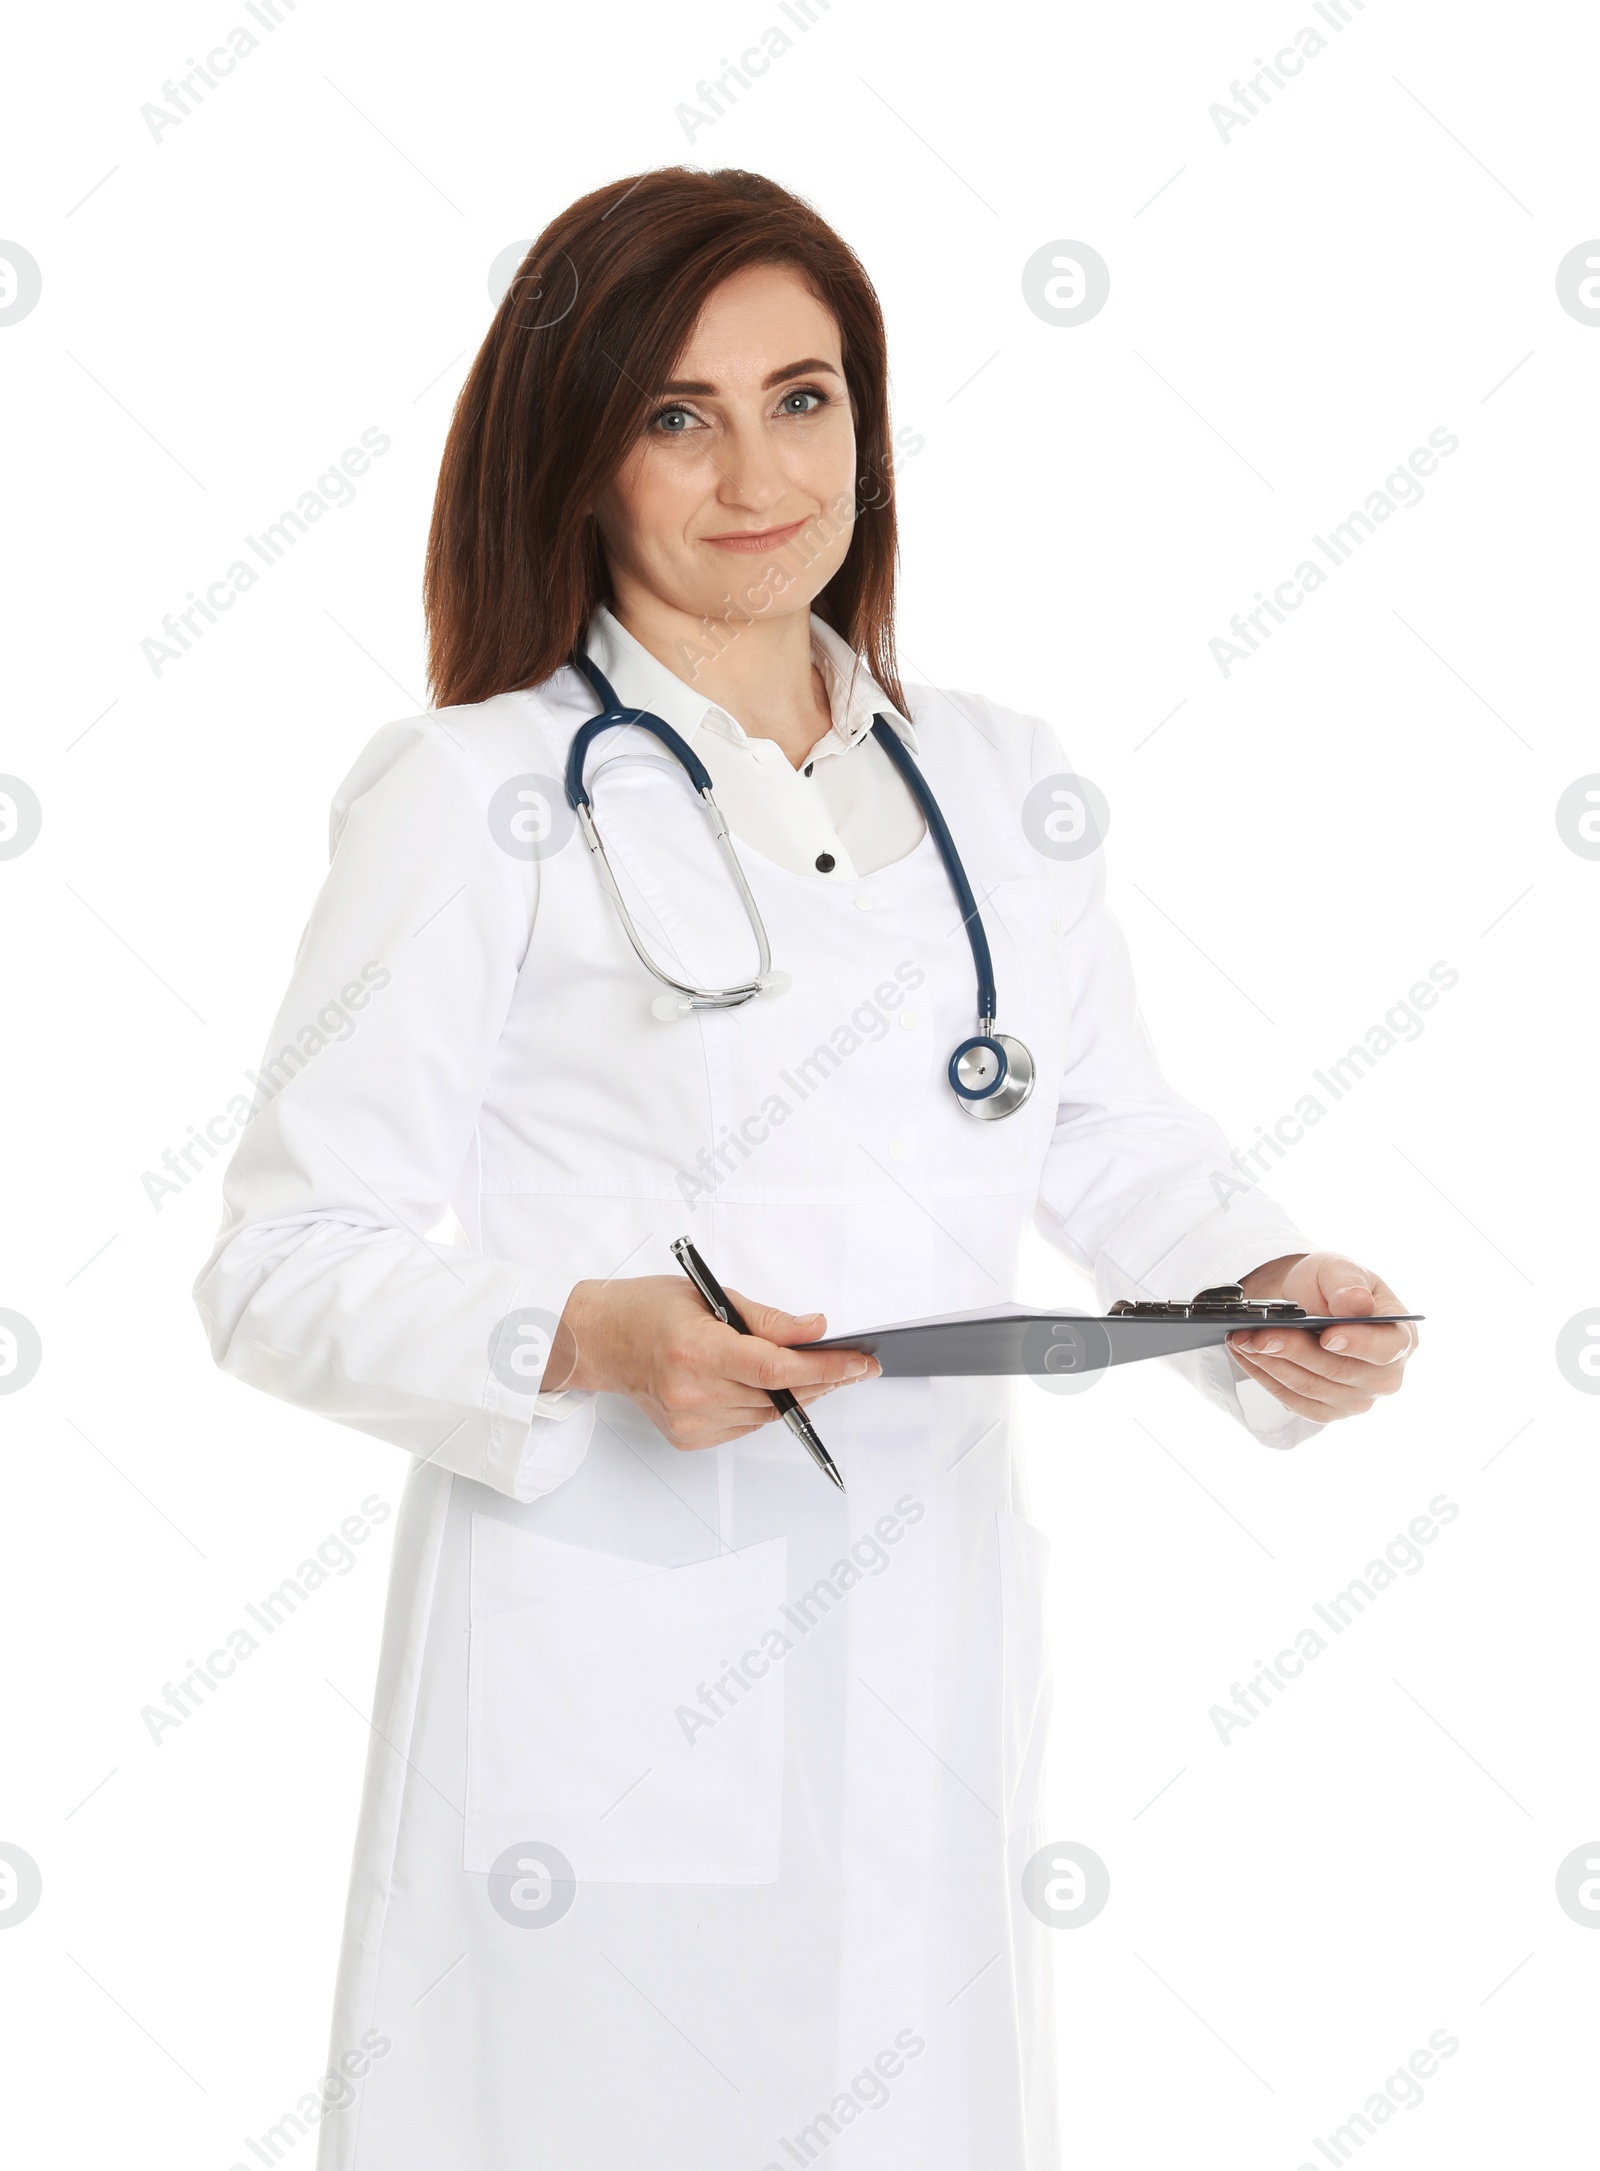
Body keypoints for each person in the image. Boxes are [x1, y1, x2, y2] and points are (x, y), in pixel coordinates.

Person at [194, 166, 1417, 2171]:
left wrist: (1264, 1283)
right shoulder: (479, 792)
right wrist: (580, 1335)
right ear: (579, 458)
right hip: (602, 1682)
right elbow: (275, 1266)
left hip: (919, 1629)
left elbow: (1104, 1134)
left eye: (804, 396)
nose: (754, 470)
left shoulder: (998, 779)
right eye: (675, 414)